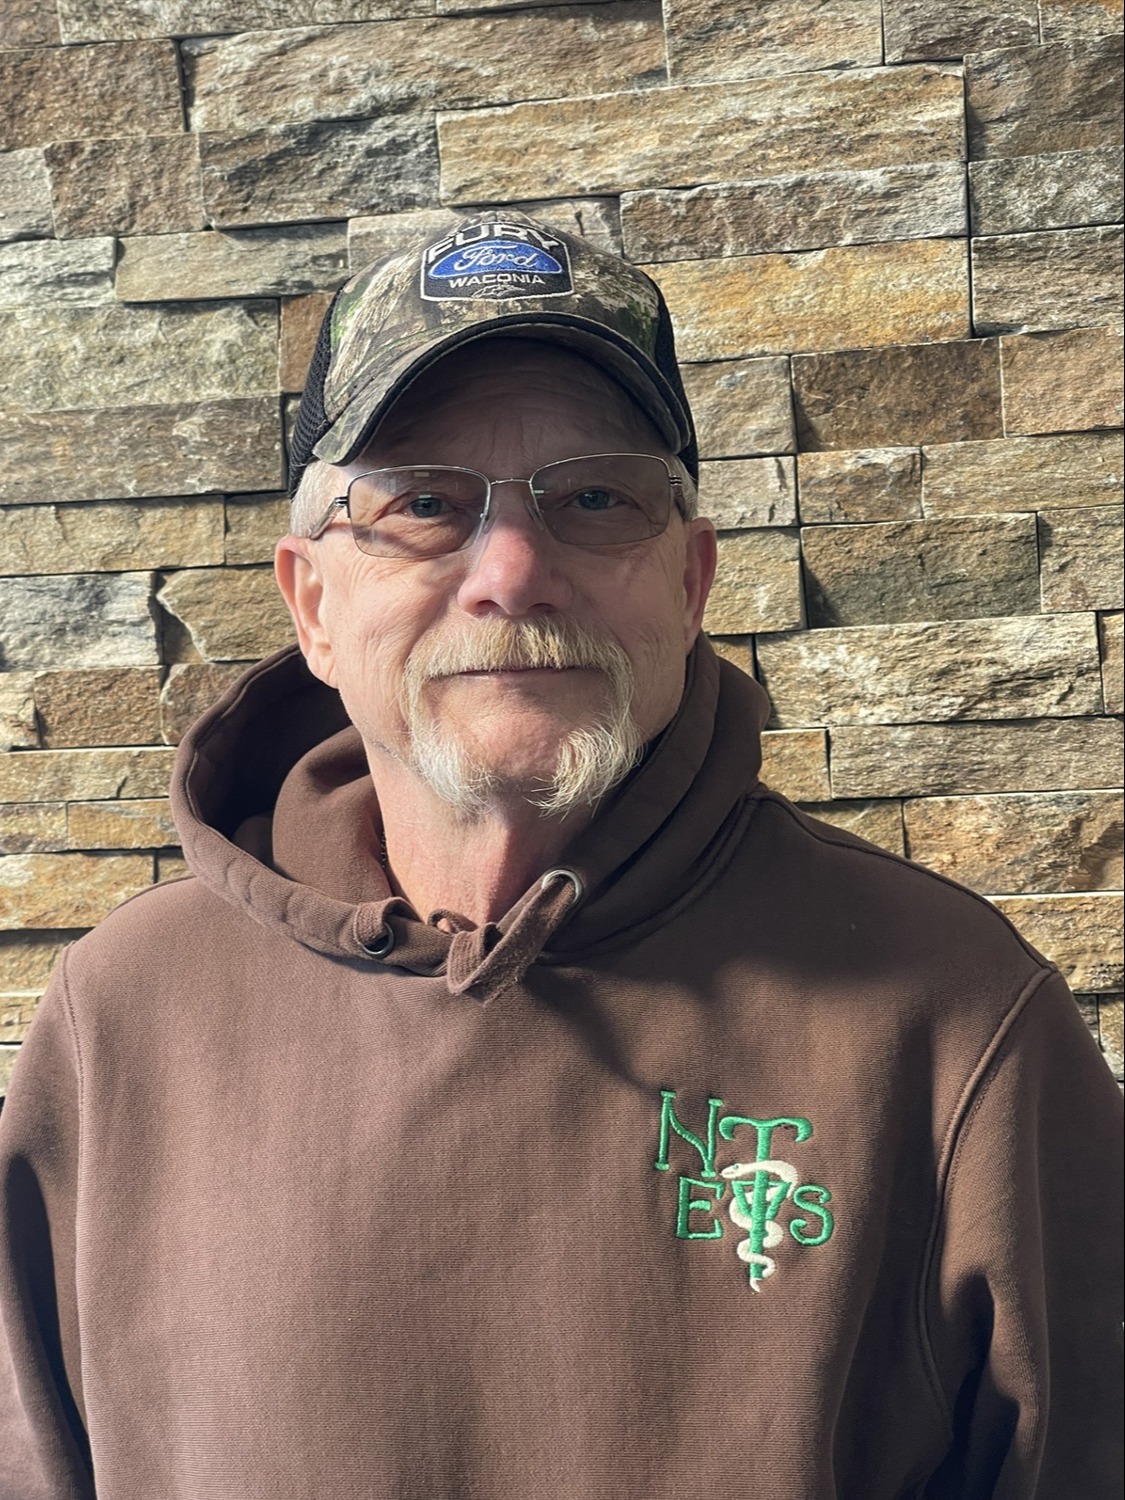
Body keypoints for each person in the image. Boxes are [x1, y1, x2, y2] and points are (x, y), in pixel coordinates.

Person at [0, 211, 1120, 1500]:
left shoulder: (956, 1023)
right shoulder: (122, 1020)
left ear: (691, 581)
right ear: (311, 602)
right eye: (424, 505)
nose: (516, 572)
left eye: (596, 499)